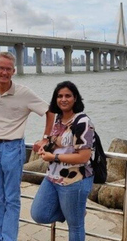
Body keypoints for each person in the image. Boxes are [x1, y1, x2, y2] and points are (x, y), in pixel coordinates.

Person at [0, 51, 54, 241]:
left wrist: (46, 138)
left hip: (13, 148)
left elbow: (50, 111)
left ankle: (9, 238)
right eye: (0, 68)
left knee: (11, 197)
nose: (4, 72)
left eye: (8, 69)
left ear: (14, 71)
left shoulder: (24, 93)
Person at [31, 81, 95, 241]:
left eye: (68, 96)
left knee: (75, 226)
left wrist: (55, 157)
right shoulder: (59, 119)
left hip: (74, 180)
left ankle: (75, 212)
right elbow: (57, 144)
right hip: (53, 177)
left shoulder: (82, 122)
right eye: (59, 96)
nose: (63, 99)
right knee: (39, 214)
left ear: (75, 99)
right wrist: (44, 147)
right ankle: (75, 211)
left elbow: (84, 156)